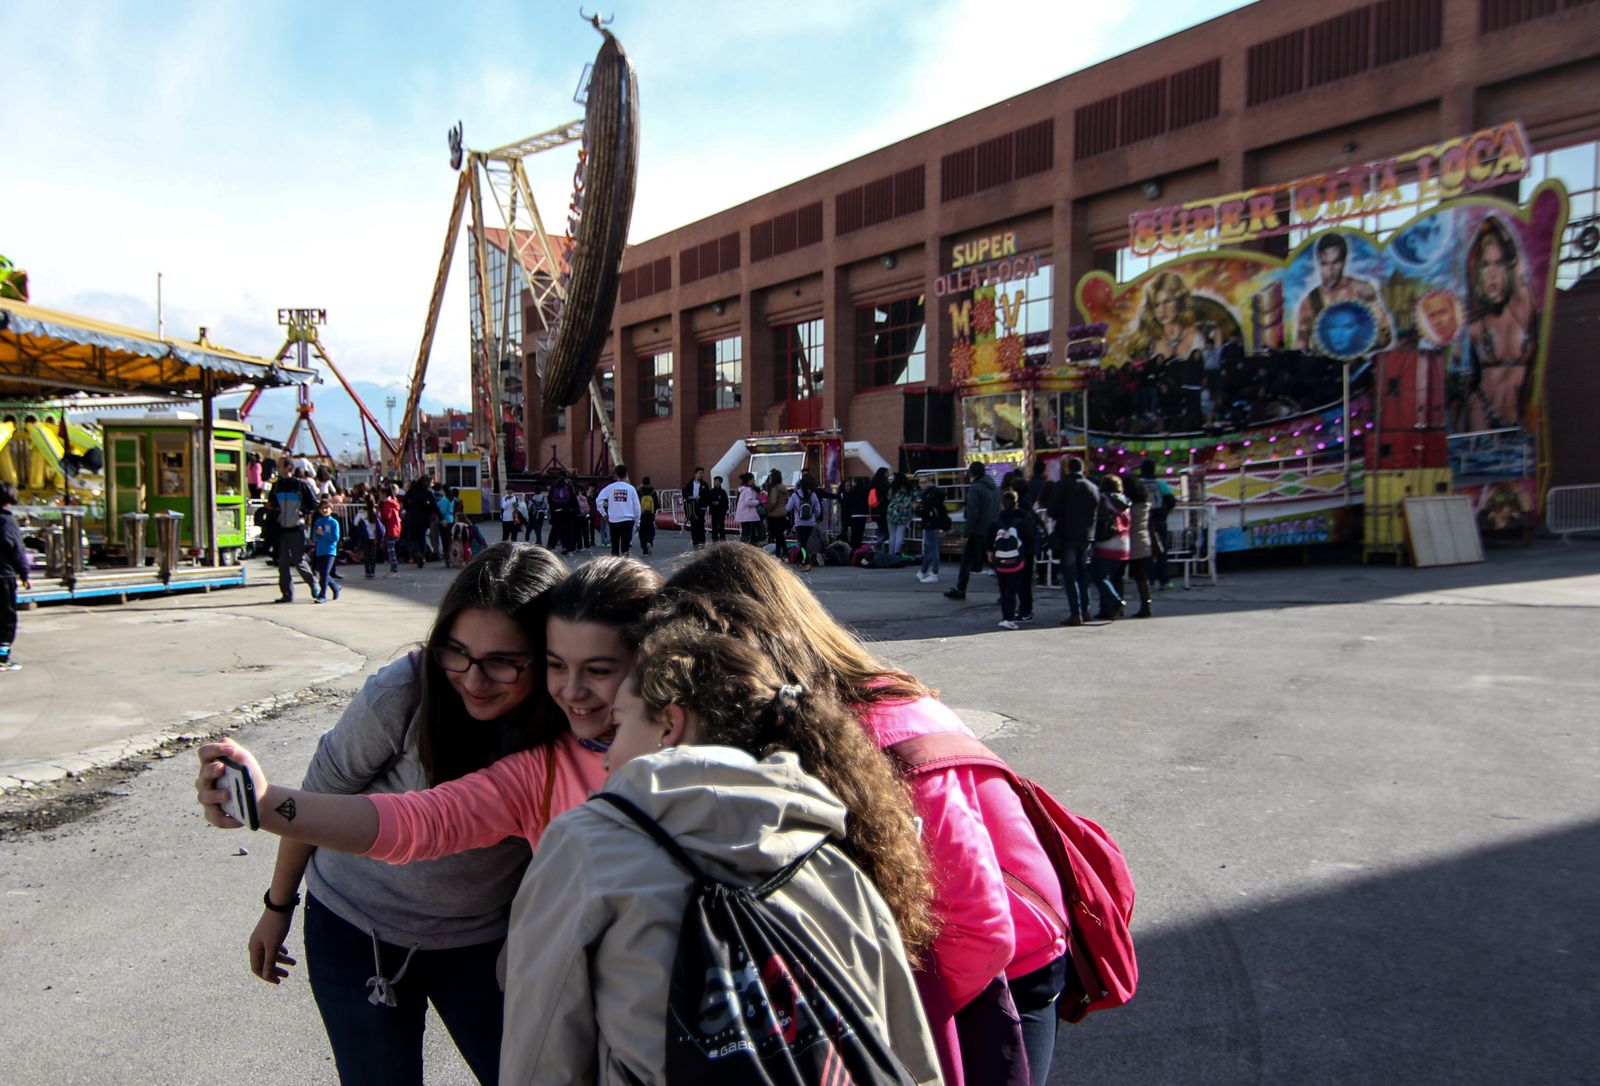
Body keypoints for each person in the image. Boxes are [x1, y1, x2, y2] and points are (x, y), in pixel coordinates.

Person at [665, 547, 1070, 1086]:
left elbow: (978, 930)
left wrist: (884, 1029)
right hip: (932, 958)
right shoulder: (805, 717)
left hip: (1010, 968)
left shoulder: (890, 729)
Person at [500, 596, 942, 1085]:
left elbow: (542, 1047)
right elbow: (906, 1056)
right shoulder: (830, 847)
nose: (606, 758)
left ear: (669, 724)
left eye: (619, 725)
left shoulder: (587, 847)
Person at [197, 544, 569, 1085]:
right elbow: (324, 799)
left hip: (484, 944)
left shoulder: (568, 729)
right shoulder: (404, 692)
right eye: (455, 651)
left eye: (503, 662)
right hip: (355, 931)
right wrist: (277, 902)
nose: (471, 678)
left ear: (548, 656)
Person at [1465, 216, 1536, 430]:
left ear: (1508, 267)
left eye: (1499, 264)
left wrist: (1497, 227)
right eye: (1485, 265)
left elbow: (1522, 259)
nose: (1493, 274)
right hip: (1484, 417)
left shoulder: (1524, 310)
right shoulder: (1475, 327)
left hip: (1521, 424)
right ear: (1477, 273)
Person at [1294, 232, 1392, 352]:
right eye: (1324, 264)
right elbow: (1300, 347)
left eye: (1335, 262)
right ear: (1318, 263)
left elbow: (1385, 337)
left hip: (1358, 365)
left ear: (1344, 261)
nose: (1330, 271)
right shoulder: (1309, 301)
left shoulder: (1361, 290)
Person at [1046, 458, 1099, 627]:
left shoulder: (1062, 485)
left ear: (1068, 469)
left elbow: (1052, 511)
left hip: (1067, 534)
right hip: (1086, 535)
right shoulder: (1092, 487)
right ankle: (1085, 610)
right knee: (1083, 574)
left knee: (1070, 575)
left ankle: (1075, 613)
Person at [945, 462, 999, 602]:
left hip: (978, 529)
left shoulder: (975, 489)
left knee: (966, 561)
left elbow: (972, 513)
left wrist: (966, 533)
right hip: (993, 528)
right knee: (994, 560)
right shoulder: (994, 487)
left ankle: (961, 589)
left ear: (971, 473)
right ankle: (1005, 591)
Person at [269, 458, 321, 603]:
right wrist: (274, 510)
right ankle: (287, 593)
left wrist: (302, 512)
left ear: (288, 468)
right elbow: (272, 502)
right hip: (282, 529)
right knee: (283, 564)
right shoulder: (277, 486)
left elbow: (313, 503)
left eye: (280, 466)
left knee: (299, 561)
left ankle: (313, 583)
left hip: (297, 528)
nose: (277, 469)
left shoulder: (300, 486)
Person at [1134, 270, 1207, 360]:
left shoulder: (1196, 337)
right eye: (1157, 305)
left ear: (1179, 301)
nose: (1162, 310)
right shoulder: (1150, 340)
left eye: (1167, 301)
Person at [989, 491, 1033, 630]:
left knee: (1003, 588)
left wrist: (990, 552)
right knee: (1013, 589)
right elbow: (1029, 539)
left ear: (1002, 505)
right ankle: (1011, 616)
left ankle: (1005, 616)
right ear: (1016, 504)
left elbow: (989, 541)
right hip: (1017, 561)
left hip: (1000, 560)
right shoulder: (1021, 522)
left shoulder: (995, 523)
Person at [1091, 476, 1131, 620]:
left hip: (1106, 542)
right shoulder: (1125, 501)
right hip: (1124, 543)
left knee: (1100, 577)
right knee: (1112, 578)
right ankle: (1106, 610)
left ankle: (1115, 601)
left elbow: (1099, 519)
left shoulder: (1103, 499)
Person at [0, 481, 31, 671]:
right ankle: (3, 658)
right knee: (6, 620)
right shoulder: (7, 521)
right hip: (3, 577)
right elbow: (16, 550)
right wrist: (25, 574)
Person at [1138, 459, 1175, 591]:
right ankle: (1164, 580)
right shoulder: (1161, 483)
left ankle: (1148, 579)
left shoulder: (1138, 483)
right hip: (1159, 520)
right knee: (1162, 550)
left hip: (1142, 521)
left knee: (1145, 551)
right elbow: (1171, 500)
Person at [1125, 477, 1154, 618]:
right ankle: (1146, 604)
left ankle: (1118, 604)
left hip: (1132, 542)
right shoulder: (1145, 505)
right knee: (1141, 575)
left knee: (1124, 574)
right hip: (1144, 541)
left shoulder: (1130, 507)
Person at [596, 464, 641, 557]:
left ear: (615, 475)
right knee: (626, 547)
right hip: (628, 520)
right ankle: (625, 566)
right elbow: (637, 507)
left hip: (613, 519)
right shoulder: (631, 489)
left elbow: (598, 500)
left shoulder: (610, 487)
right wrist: (637, 522)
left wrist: (603, 513)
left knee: (614, 546)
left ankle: (615, 567)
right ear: (626, 474)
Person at [785, 472, 824, 572]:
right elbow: (818, 509)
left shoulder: (795, 495)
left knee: (802, 543)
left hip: (799, 523)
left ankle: (806, 562)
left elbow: (788, 508)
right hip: (810, 523)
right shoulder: (813, 494)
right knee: (804, 543)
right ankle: (803, 561)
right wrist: (813, 516)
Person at [916, 480, 950, 584]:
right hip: (933, 523)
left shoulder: (929, 495)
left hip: (930, 524)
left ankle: (933, 573)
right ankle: (924, 571)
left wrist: (918, 509)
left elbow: (924, 510)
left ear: (929, 482)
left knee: (931, 549)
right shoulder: (935, 494)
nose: (921, 484)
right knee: (929, 548)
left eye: (923, 482)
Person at [402, 476, 436, 567]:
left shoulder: (412, 490)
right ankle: (422, 554)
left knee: (412, 538)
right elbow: (434, 506)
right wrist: (439, 516)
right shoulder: (428, 492)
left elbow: (405, 500)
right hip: (424, 519)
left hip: (412, 518)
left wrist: (408, 509)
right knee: (422, 538)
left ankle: (417, 552)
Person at [887, 472, 917, 556]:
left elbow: (888, 497)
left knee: (892, 535)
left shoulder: (893, 487)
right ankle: (897, 553)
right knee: (900, 534)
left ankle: (890, 554)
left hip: (892, 511)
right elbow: (915, 497)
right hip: (904, 511)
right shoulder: (910, 488)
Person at [763, 468, 790, 557]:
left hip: (774, 515)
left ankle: (779, 553)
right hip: (782, 514)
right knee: (780, 535)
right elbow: (786, 500)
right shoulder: (783, 488)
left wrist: (769, 509)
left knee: (777, 535)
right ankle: (784, 551)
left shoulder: (774, 489)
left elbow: (773, 502)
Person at [378, 485, 403, 577]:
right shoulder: (393, 502)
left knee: (391, 550)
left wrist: (379, 514)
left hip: (391, 528)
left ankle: (394, 570)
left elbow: (386, 516)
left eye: (380, 494)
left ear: (384, 494)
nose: (379, 496)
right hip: (395, 528)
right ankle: (394, 569)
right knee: (392, 550)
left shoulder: (387, 504)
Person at [681, 465, 707, 549]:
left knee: (700, 523)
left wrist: (701, 497)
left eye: (702, 473)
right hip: (692, 506)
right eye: (699, 473)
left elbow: (707, 494)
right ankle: (695, 542)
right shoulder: (690, 483)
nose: (701, 475)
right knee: (694, 524)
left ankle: (702, 542)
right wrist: (690, 497)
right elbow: (684, 492)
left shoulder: (704, 484)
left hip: (701, 506)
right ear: (695, 474)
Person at [734, 472, 763, 545]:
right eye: (753, 479)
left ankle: (743, 545)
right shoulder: (748, 490)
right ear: (749, 480)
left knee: (745, 532)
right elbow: (748, 502)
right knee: (749, 533)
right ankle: (748, 546)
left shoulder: (743, 490)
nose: (754, 481)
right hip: (748, 515)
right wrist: (758, 502)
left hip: (744, 515)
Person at [635, 476, 657, 556]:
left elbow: (636, 503)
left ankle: (644, 548)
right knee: (651, 531)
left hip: (642, 514)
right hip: (650, 514)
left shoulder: (639, 491)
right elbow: (657, 504)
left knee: (642, 531)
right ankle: (649, 542)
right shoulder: (653, 491)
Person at [706, 475, 729, 542]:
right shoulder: (711, 491)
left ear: (720, 482)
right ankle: (714, 538)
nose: (715, 482)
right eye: (714, 481)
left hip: (721, 511)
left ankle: (722, 537)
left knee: (721, 525)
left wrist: (720, 505)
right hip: (714, 511)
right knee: (714, 525)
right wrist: (712, 503)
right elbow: (708, 500)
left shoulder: (723, 492)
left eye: (716, 481)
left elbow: (726, 502)